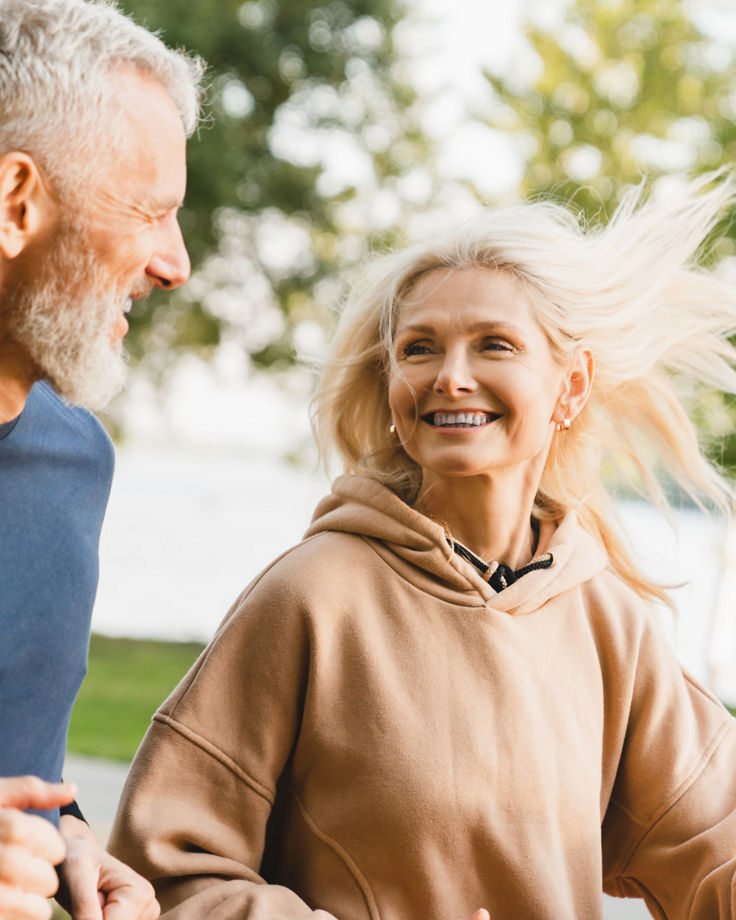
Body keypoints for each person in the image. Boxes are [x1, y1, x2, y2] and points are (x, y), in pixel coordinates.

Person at [109, 175, 736, 919]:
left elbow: (713, 851)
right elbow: (159, 872)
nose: (452, 377)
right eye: (419, 349)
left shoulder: (608, 621)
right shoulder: (311, 596)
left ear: (570, 387)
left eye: (494, 345)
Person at [0, 1, 203, 917]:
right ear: (17, 203)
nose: (176, 263)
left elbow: (23, 766)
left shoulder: (74, 461)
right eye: (150, 211)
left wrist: (73, 835)